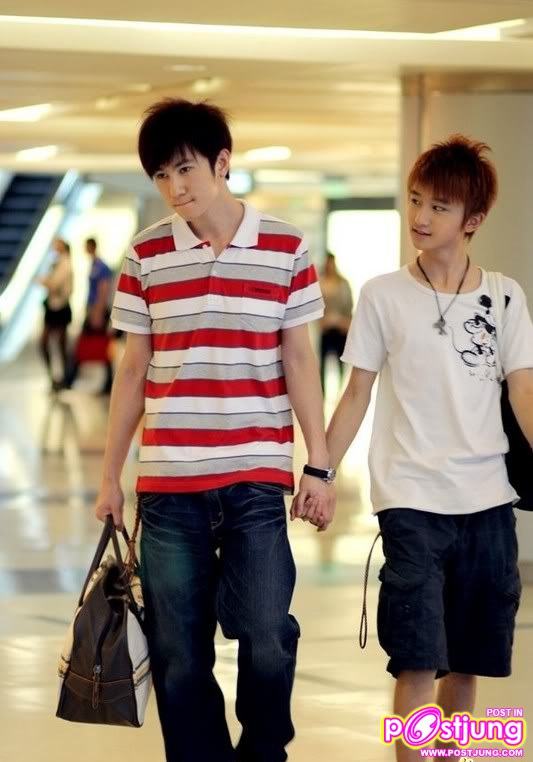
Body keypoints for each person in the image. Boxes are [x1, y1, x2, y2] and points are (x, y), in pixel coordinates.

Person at [93, 98, 336, 762]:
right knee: (177, 651)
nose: (175, 188)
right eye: (161, 176)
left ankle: (264, 750)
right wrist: (109, 477)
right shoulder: (146, 254)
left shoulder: (285, 246)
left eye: (185, 169)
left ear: (222, 162)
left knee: (266, 633)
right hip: (169, 485)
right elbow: (132, 371)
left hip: (255, 476)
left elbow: (299, 361)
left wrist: (318, 466)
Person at [324, 135, 533, 761]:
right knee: (416, 659)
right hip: (410, 500)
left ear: (473, 220)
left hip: (487, 501)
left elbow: (523, 390)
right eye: (416, 200)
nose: (420, 216)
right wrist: (319, 471)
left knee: (466, 665)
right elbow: (356, 392)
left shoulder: (505, 296)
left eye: (439, 206)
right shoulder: (382, 295)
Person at [64, 237, 114, 394]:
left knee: (96, 344)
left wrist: (98, 311)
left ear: (92, 247)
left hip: (97, 310)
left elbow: (103, 289)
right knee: (97, 344)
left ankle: (70, 378)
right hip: (92, 309)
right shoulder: (93, 265)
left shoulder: (101, 266)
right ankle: (72, 378)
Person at [38, 237, 73, 391]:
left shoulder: (65, 263)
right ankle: (56, 376)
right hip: (53, 306)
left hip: (60, 307)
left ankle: (64, 377)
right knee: (50, 343)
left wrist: (45, 282)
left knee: (60, 343)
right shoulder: (57, 262)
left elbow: (54, 284)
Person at [319, 252, 353, 394]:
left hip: (340, 327)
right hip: (326, 328)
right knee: (323, 362)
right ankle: (323, 393)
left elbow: (349, 306)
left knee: (340, 362)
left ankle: (340, 392)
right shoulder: (320, 283)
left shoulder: (343, 283)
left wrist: (346, 322)